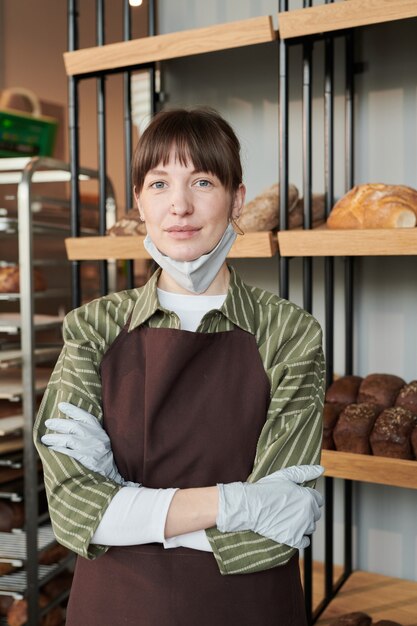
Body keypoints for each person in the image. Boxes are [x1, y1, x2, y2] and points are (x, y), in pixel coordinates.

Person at [34, 107, 325, 626]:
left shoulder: (290, 333)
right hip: (117, 606)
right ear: (140, 203)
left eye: (203, 181)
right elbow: (74, 509)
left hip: (247, 607)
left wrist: (122, 505)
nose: (181, 206)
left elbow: (274, 535)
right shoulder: (93, 328)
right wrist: (240, 503)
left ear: (237, 198)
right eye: (160, 183)